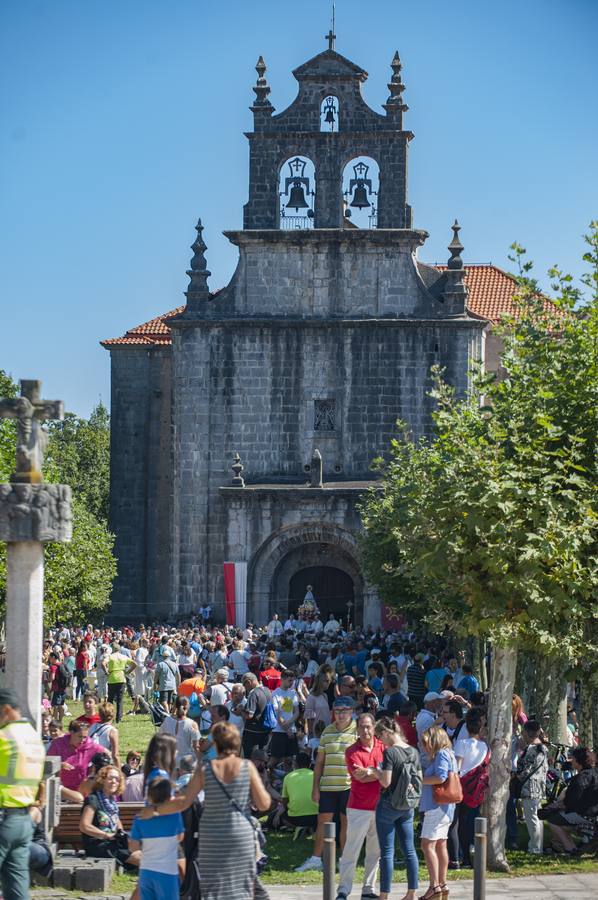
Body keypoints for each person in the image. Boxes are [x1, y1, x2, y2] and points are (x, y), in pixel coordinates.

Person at [196, 722, 271, 900]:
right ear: (236, 742)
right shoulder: (247, 767)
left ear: (215, 743)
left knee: (213, 888)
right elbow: (264, 804)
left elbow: (186, 801)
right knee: (241, 888)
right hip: (239, 834)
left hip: (211, 837)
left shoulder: (206, 770)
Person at [296, 696, 356, 873]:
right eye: (338, 711)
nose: (341, 714)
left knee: (346, 824)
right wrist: (315, 788)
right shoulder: (327, 731)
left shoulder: (357, 732)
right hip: (328, 786)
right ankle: (316, 859)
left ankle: (345, 860)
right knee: (322, 822)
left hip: (349, 786)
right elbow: (320, 762)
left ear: (351, 712)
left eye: (345, 711)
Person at [0, 688, 45, 900]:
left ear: (6, 710)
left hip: (3, 818)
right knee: (16, 885)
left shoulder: (4, 737)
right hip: (24, 820)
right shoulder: (34, 738)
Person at [371, 716, 421, 900]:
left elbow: (385, 782)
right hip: (407, 805)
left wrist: (375, 772)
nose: (379, 740)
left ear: (385, 732)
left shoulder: (390, 753)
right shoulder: (413, 751)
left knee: (387, 852)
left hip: (389, 805)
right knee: (409, 850)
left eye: (379, 736)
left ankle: (384, 895)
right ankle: (412, 893)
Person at [336, 712, 384, 900]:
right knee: (351, 850)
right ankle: (343, 890)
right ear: (357, 729)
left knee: (375, 852)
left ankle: (368, 889)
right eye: (362, 727)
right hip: (358, 807)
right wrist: (378, 772)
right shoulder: (351, 751)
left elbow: (387, 773)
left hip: (380, 807)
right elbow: (358, 777)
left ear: (374, 727)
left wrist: (370, 772)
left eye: (368, 726)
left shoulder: (383, 747)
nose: (365, 730)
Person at [419, 725, 459, 900]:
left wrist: (420, 779)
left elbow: (441, 777)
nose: (424, 746)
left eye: (426, 742)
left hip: (436, 806)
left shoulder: (442, 754)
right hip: (446, 807)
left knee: (427, 845)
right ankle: (442, 885)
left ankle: (434, 886)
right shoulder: (449, 753)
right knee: (441, 844)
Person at [129, 777, 184, 900]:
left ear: (148, 797)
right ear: (170, 798)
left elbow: (133, 846)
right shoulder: (175, 816)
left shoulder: (140, 818)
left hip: (146, 871)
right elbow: (180, 837)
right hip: (167, 871)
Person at [79, 765, 141, 868]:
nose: (114, 781)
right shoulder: (93, 799)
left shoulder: (111, 801)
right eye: (110, 778)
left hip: (112, 842)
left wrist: (120, 833)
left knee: (139, 845)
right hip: (98, 844)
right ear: (102, 780)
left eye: (117, 779)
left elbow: (116, 821)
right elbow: (84, 826)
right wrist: (106, 835)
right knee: (138, 856)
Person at [540, 747, 598, 854]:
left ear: (578, 762)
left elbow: (570, 803)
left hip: (585, 815)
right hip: (594, 814)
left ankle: (570, 848)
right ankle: (572, 846)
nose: (571, 761)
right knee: (560, 816)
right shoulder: (595, 773)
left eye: (573, 759)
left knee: (553, 819)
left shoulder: (579, 778)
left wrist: (553, 807)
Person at [453, 708, 489, 867]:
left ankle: (461, 855)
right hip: (476, 789)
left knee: (458, 823)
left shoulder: (461, 744)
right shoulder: (485, 747)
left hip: (461, 786)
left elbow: (457, 767)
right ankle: (469, 855)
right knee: (470, 823)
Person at [48, 719, 105, 803]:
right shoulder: (58, 744)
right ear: (71, 732)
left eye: (85, 737)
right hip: (62, 790)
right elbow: (46, 764)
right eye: (80, 736)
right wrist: (59, 764)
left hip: (81, 791)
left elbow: (109, 755)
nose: (82, 740)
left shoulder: (90, 745)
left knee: (80, 798)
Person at [513, 721, 548, 855]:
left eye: (523, 733)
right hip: (540, 786)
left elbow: (524, 771)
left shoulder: (531, 749)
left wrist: (514, 776)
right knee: (537, 818)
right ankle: (537, 845)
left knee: (531, 818)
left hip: (529, 788)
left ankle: (535, 848)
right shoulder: (543, 748)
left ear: (527, 733)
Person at [269, 669, 300, 770]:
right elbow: (276, 713)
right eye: (289, 680)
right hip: (279, 731)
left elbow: (296, 712)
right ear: (282, 679)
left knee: (289, 759)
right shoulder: (275, 693)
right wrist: (286, 729)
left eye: (293, 680)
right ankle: (266, 776)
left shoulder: (293, 693)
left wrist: (290, 725)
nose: (292, 683)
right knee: (275, 758)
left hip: (291, 730)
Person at [159, 696, 200, 768]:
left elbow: (160, 740)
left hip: (169, 761)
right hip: (187, 763)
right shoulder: (192, 724)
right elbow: (196, 747)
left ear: (175, 706)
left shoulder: (167, 721)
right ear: (188, 707)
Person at [281, 752, 319, 831]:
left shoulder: (288, 777)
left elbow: (284, 802)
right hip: (316, 817)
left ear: (295, 764)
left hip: (295, 819)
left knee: (281, 816)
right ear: (309, 764)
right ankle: (310, 828)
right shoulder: (317, 776)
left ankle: (297, 828)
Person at [241, 673, 272, 759]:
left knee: (250, 759)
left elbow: (249, 715)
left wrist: (240, 711)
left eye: (244, 684)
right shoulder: (267, 690)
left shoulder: (253, 693)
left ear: (249, 682)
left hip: (252, 731)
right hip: (266, 730)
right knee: (262, 759)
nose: (245, 687)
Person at [104, 642, 136, 723]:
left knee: (110, 699)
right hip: (121, 678)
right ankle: (119, 718)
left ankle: (109, 717)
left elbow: (103, 663)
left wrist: (106, 672)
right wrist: (127, 672)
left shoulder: (110, 656)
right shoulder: (123, 656)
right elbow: (134, 664)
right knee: (120, 700)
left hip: (112, 678)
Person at [88, 701, 120, 768]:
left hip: (90, 764)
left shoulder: (92, 726)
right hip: (103, 765)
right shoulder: (112, 731)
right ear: (113, 715)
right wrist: (119, 772)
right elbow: (115, 755)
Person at [305, 669, 333, 735]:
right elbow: (309, 719)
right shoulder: (311, 697)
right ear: (320, 681)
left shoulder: (325, 696)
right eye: (326, 681)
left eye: (329, 681)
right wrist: (311, 735)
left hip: (326, 732)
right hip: (316, 734)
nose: (328, 683)